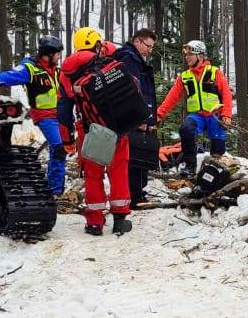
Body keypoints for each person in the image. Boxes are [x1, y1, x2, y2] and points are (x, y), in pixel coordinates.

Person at [58, 27, 132, 236]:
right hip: (116, 127)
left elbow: (63, 111)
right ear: (96, 44)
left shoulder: (67, 73)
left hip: (89, 129)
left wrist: (67, 141)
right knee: (118, 172)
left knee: (92, 175)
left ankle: (94, 223)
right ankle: (120, 219)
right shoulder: (107, 61)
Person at [0, 35, 66, 197]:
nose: (59, 57)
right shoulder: (29, 69)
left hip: (59, 115)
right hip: (44, 116)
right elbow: (7, 77)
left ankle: (56, 188)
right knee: (59, 147)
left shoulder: (56, 70)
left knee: (60, 149)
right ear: (48, 53)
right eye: (57, 53)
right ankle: (54, 191)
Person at [157, 40, 233, 177]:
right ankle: (189, 165)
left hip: (216, 116)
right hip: (197, 116)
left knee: (217, 150)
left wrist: (227, 115)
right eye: (186, 54)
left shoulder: (215, 73)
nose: (187, 57)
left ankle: (215, 173)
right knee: (186, 129)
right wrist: (159, 114)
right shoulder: (185, 76)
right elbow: (172, 97)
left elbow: (226, 94)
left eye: (190, 54)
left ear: (200, 56)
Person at [114, 28, 157, 209]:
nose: (149, 51)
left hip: (133, 115)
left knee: (136, 155)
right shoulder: (129, 59)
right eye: (148, 46)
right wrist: (140, 117)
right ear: (138, 41)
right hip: (133, 116)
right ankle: (135, 195)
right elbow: (133, 89)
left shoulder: (132, 58)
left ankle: (136, 192)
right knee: (136, 155)